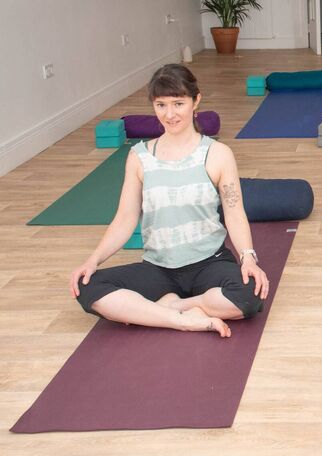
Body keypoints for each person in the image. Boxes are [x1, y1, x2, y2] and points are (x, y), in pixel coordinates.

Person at [70, 64, 268, 337]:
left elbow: (234, 213)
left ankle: (179, 305)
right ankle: (183, 319)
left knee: (249, 295)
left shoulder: (218, 153)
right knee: (86, 285)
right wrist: (93, 260)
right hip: (159, 268)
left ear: (195, 101)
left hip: (209, 262)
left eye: (178, 103)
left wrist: (248, 258)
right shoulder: (139, 156)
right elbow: (125, 218)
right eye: (161, 105)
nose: (170, 114)